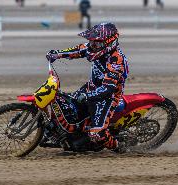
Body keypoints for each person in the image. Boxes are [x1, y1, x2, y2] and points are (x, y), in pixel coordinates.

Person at [46, 23, 130, 152]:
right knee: (70, 108)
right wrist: (57, 54)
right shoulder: (94, 48)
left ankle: (119, 147)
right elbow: (78, 50)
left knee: (97, 134)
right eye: (91, 42)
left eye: (96, 43)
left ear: (109, 43)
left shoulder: (116, 61)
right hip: (91, 88)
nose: (92, 46)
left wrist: (87, 96)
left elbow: (107, 89)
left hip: (108, 97)